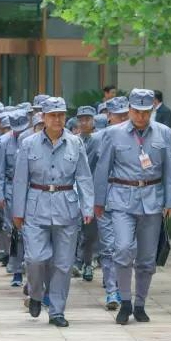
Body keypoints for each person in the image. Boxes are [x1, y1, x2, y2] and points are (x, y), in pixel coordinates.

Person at [94, 88, 171, 325]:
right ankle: (124, 301)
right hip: (122, 197)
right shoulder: (113, 134)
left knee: (147, 258)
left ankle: (140, 302)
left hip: (152, 198)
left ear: (152, 109)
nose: (141, 117)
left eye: (145, 112)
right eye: (137, 111)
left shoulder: (164, 134)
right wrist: (98, 201)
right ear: (129, 110)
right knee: (121, 249)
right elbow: (103, 168)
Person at [12, 97, 94, 327]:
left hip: (66, 206)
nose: (57, 119)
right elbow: (20, 180)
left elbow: (84, 178)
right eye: (52, 115)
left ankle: (57, 310)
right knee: (35, 258)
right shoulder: (28, 143)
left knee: (63, 263)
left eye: (61, 114)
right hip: (36, 206)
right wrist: (18, 212)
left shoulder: (76, 143)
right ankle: (36, 293)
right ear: (43, 118)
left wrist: (87, 207)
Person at [96, 96, 130, 311]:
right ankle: (112, 291)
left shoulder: (137, 138)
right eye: (120, 115)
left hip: (130, 202)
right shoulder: (98, 138)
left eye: (126, 114)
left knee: (126, 248)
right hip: (106, 201)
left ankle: (123, 286)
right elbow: (86, 170)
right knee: (109, 247)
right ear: (109, 116)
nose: (124, 118)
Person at [0, 110, 30, 286]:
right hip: (10, 188)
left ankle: (29, 268)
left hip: (31, 189)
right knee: (13, 231)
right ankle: (16, 269)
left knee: (30, 232)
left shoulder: (33, 140)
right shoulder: (3, 142)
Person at [74, 106, 100, 282]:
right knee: (74, 230)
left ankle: (88, 263)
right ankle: (76, 261)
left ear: (93, 121)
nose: (84, 122)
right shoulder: (73, 141)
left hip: (93, 192)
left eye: (87, 119)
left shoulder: (100, 141)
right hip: (74, 192)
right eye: (81, 119)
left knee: (90, 232)